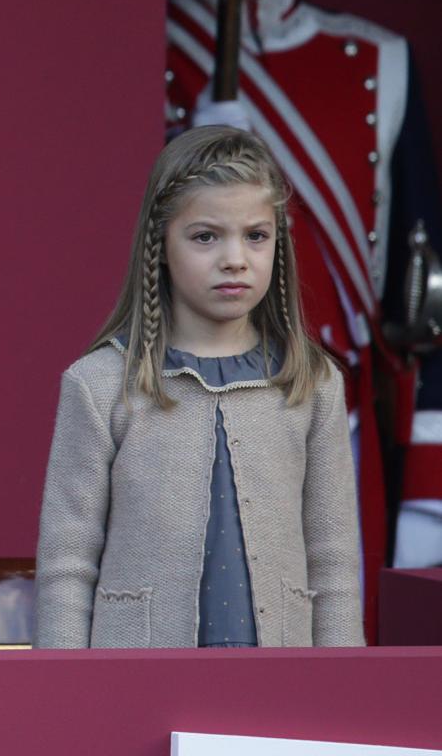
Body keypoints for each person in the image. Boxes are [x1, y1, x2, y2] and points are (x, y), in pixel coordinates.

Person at [163, 0, 442, 589]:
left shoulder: (376, 60)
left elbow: (423, 294)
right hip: (179, 408)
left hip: (335, 416)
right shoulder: (136, 49)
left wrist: (428, 498)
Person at [34, 127, 362, 649]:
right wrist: (63, 685)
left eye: (256, 236)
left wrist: (341, 682)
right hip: (135, 677)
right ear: (160, 245)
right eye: (206, 236)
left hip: (280, 676)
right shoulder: (100, 384)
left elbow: (334, 560)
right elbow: (67, 565)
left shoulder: (312, 383)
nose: (235, 258)